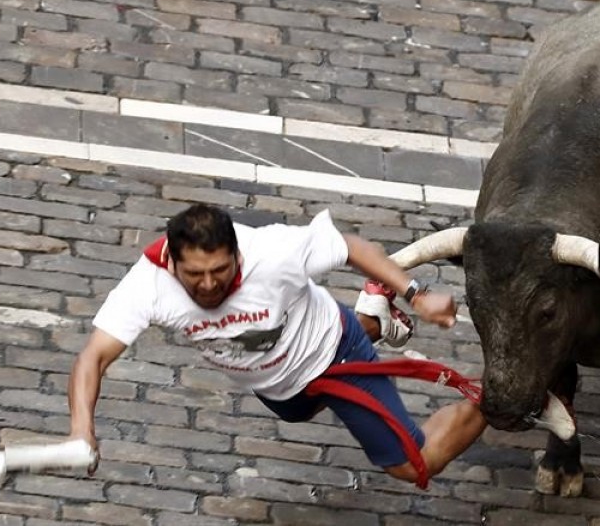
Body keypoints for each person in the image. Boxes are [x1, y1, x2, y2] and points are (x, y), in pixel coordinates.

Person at [67, 203, 487, 485]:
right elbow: (93, 358)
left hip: (334, 355)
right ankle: (374, 321)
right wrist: (81, 429)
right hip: (280, 388)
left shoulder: (271, 251)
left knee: (414, 464)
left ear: (237, 254)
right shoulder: (147, 286)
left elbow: (350, 247)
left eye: (220, 270)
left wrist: (417, 294)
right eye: (195, 275)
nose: (209, 285)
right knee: (298, 411)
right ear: (172, 263)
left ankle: (500, 393)